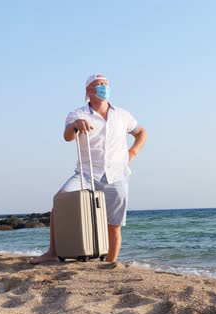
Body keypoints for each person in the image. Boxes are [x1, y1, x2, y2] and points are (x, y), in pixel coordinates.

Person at [30, 74, 147, 263]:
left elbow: (141, 132)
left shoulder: (122, 115)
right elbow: (68, 136)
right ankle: (52, 252)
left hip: (116, 175)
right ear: (89, 91)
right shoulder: (78, 114)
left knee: (113, 226)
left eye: (106, 84)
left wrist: (132, 153)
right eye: (100, 84)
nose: (104, 87)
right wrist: (75, 125)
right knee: (59, 204)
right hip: (86, 174)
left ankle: (110, 263)